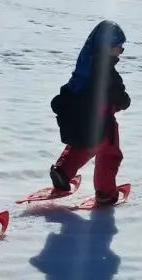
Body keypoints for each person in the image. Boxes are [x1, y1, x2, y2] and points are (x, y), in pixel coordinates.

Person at [48, 20, 130, 206]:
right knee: (109, 155)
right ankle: (106, 192)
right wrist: (125, 101)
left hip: (84, 122)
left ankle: (62, 172)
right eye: (119, 47)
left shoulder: (84, 67)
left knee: (80, 148)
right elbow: (119, 98)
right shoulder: (109, 74)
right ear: (108, 48)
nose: (121, 52)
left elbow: (71, 88)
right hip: (104, 124)